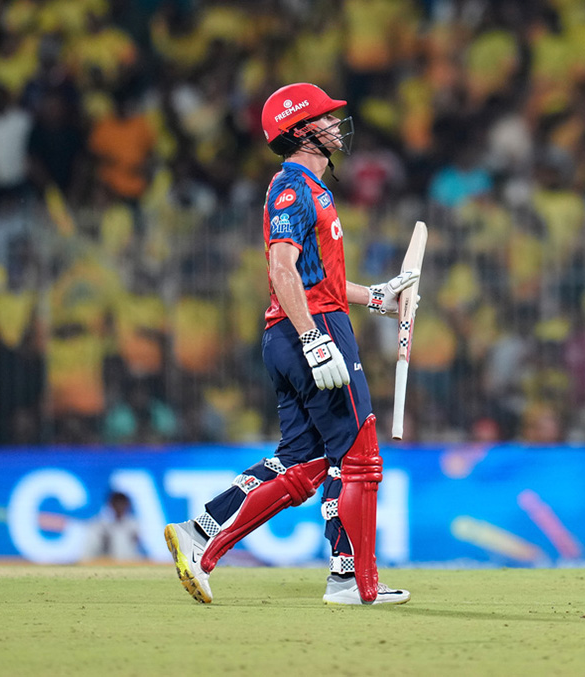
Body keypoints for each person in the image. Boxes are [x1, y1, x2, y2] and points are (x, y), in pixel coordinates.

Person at [163, 83, 418, 605]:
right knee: (360, 459)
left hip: (296, 329)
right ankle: (356, 584)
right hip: (311, 330)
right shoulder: (294, 188)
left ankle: (200, 538)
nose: (335, 124)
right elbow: (281, 269)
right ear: (301, 131)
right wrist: (313, 339)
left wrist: (376, 297)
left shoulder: (310, 189)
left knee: (303, 463)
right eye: (324, 118)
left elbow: (312, 277)